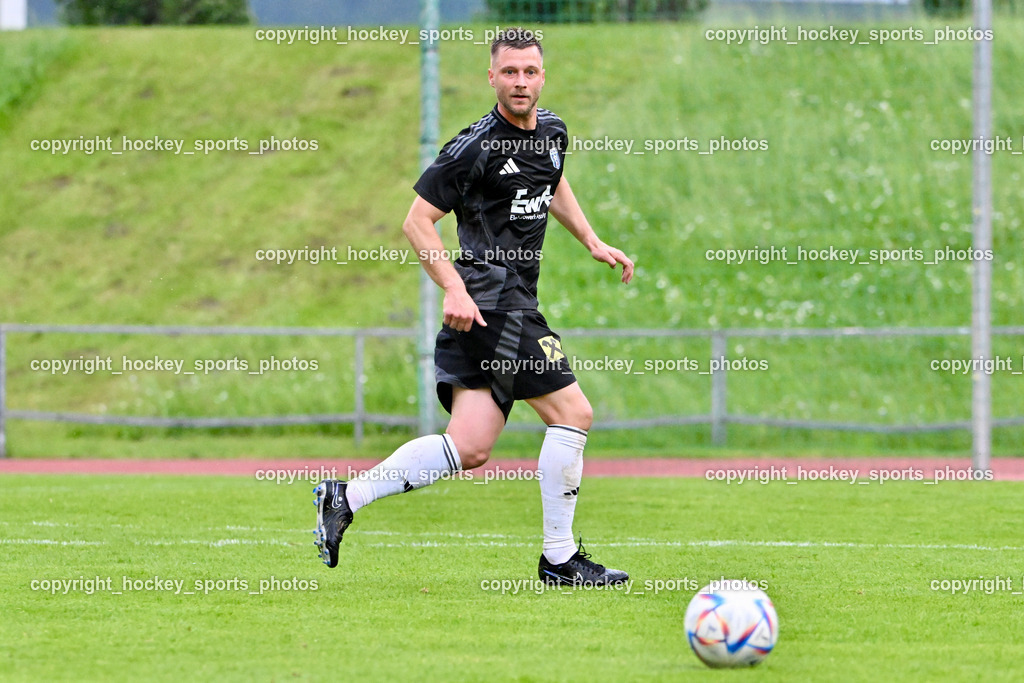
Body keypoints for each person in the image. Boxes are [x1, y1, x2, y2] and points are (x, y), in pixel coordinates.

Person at [315, 27, 635, 586]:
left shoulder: (554, 131)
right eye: (509, 72)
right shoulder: (474, 147)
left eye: (529, 71)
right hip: (493, 298)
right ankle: (559, 559)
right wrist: (453, 287)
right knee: (574, 413)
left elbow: (553, 184)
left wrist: (590, 239)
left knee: (469, 447)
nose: (520, 82)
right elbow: (417, 222)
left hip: (502, 305)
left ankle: (346, 496)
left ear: (543, 75)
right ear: (492, 77)